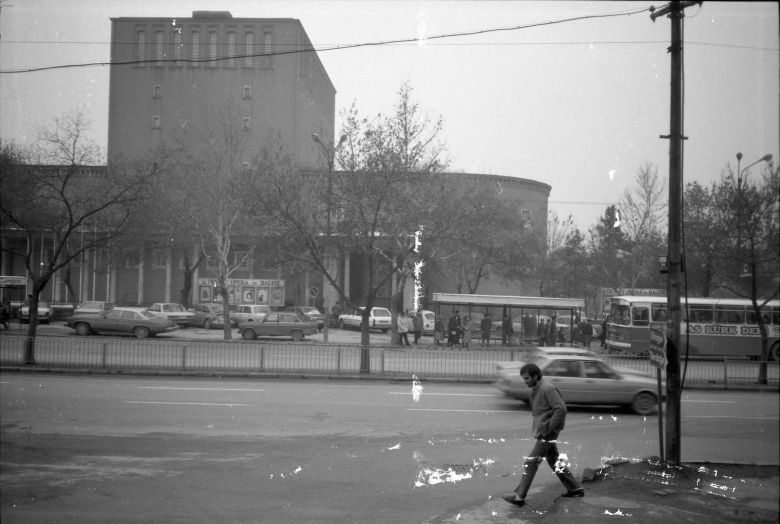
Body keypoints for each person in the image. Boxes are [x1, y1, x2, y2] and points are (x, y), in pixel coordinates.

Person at [502, 363, 584, 507]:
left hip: (547, 432)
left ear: (535, 376)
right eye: (524, 379)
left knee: (531, 462)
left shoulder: (547, 388)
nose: (525, 381)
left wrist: (549, 428)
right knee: (553, 459)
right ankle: (575, 488)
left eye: (527, 378)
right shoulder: (536, 388)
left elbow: (561, 409)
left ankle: (519, 497)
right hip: (544, 431)